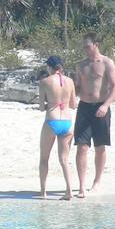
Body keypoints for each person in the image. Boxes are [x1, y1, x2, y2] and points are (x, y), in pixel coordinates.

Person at [73, 33, 115, 197]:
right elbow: (77, 87)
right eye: (84, 46)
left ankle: (97, 181)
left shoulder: (107, 63)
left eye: (88, 46)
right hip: (84, 107)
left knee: (100, 147)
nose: (85, 49)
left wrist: (106, 105)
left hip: (101, 107)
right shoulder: (81, 65)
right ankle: (81, 186)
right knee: (82, 146)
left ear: (96, 44)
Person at [37, 55, 77, 200]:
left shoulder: (45, 82)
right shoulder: (70, 81)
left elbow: (42, 107)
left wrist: (49, 103)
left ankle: (43, 192)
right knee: (64, 160)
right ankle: (69, 191)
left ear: (49, 67)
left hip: (52, 120)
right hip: (67, 121)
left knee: (44, 158)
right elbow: (73, 104)